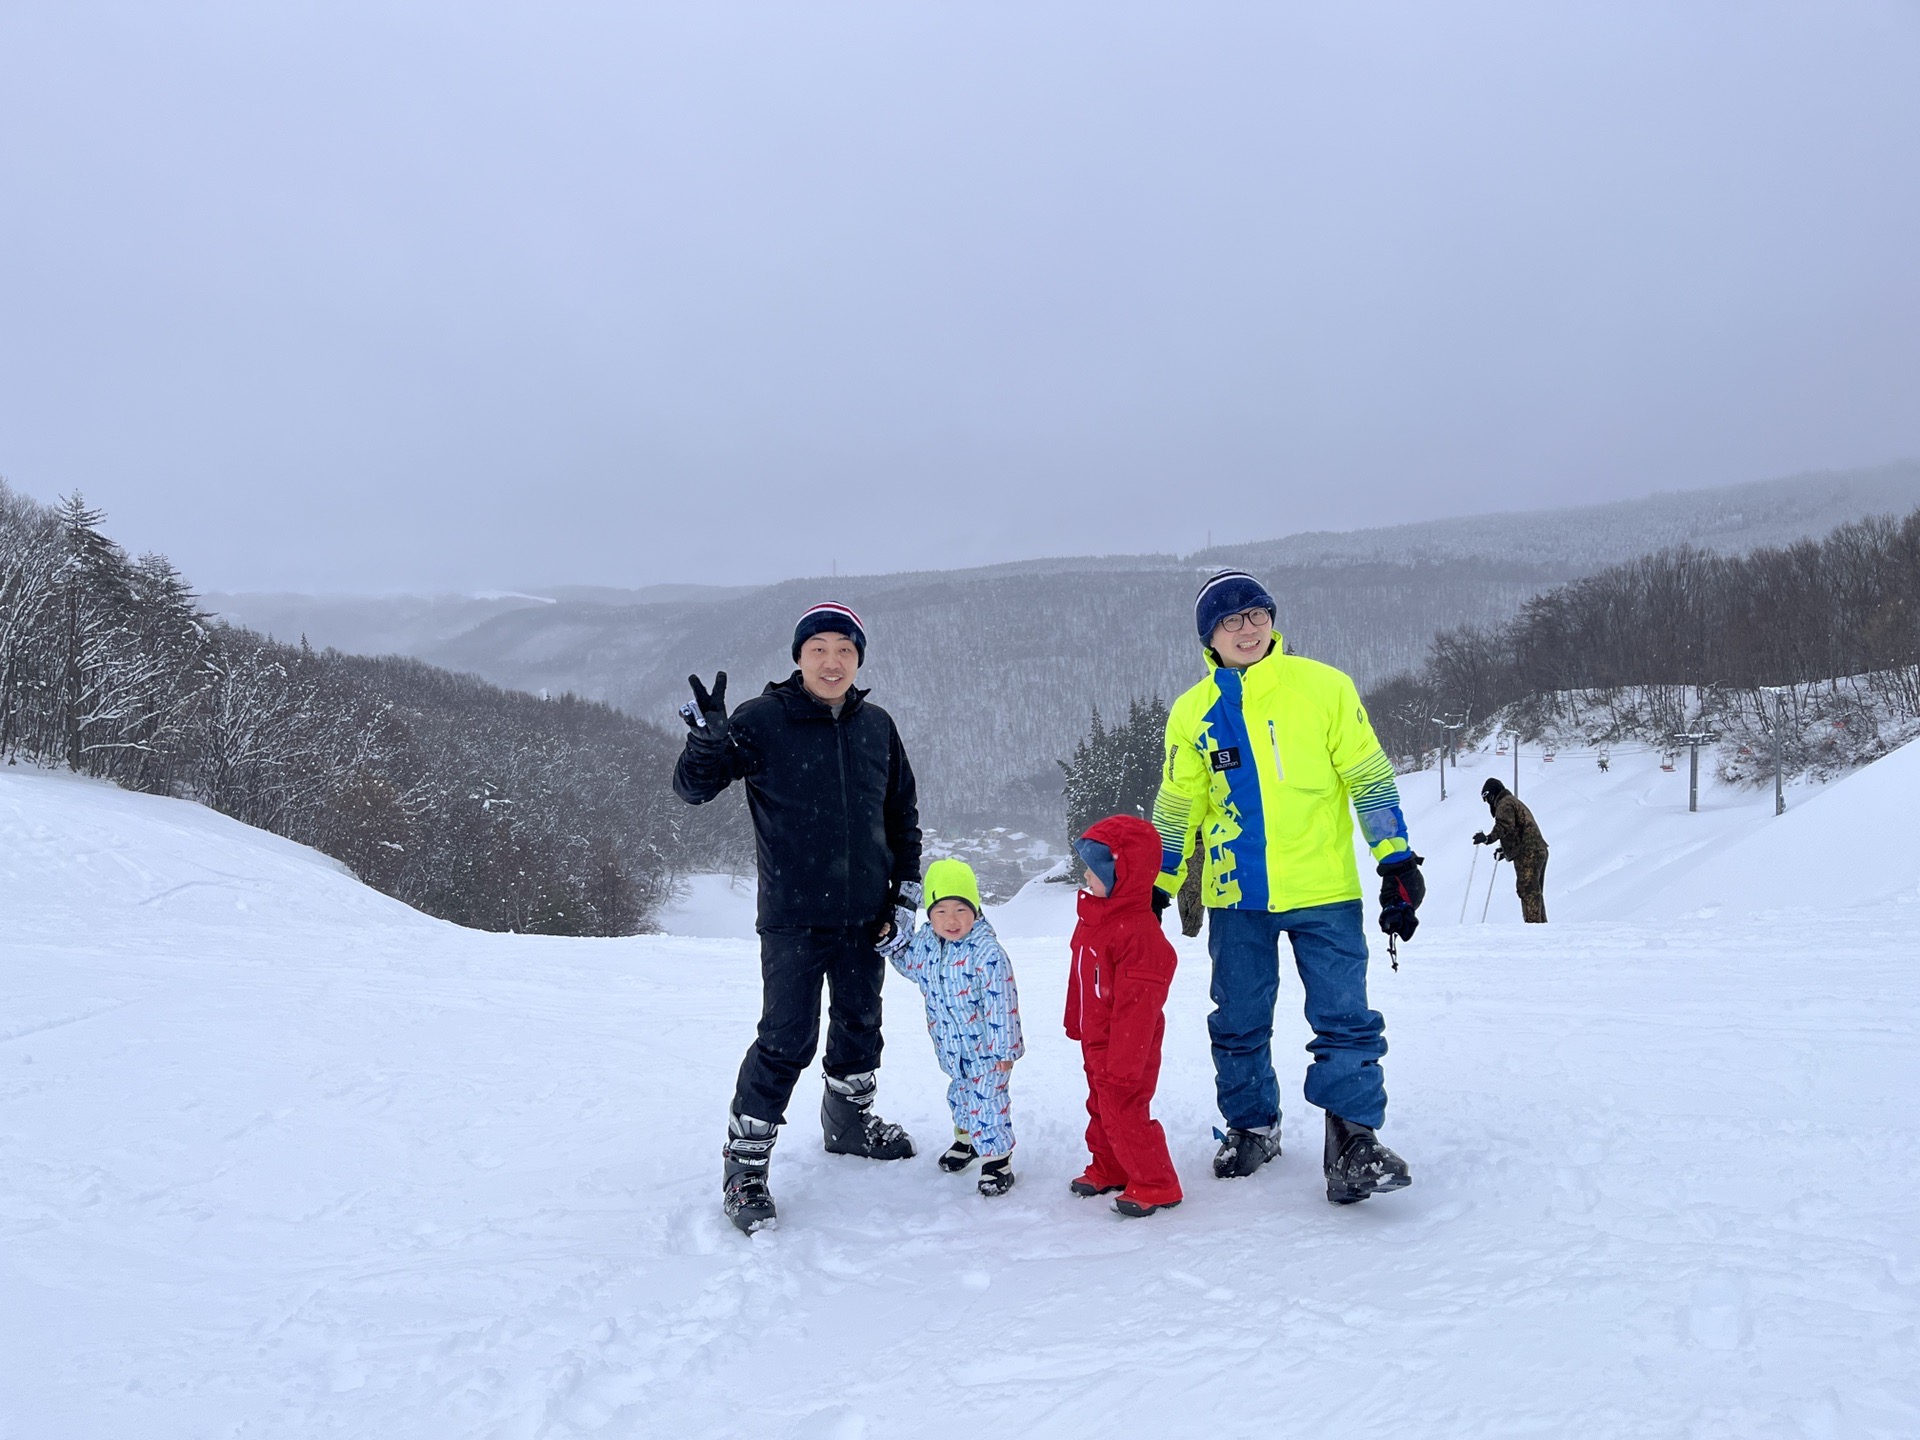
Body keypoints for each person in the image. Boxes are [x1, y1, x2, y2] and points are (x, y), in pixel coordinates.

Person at [1152, 569, 1419, 1206]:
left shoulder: (1324, 687)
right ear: (1208, 638)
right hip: (1235, 895)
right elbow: (1177, 803)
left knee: (1344, 1018)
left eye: (1256, 614)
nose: (1246, 628)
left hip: (1324, 889)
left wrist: (1396, 859)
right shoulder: (1193, 712)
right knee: (1239, 1018)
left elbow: (1367, 774)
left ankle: (1352, 1140)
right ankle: (1251, 1126)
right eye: (1229, 620)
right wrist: (1157, 882)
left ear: (1273, 620)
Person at [673, 602, 923, 1234]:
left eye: (844, 649)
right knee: (786, 1037)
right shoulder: (763, 720)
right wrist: (704, 744)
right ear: (798, 657)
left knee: (861, 1022)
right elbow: (694, 788)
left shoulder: (877, 727)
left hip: (866, 912)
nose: (831, 661)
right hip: (792, 914)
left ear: (859, 658)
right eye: (819, 649)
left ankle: (848, 1122)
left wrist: (904, 893)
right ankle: (746, 1164)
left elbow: (902, 817)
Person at [1065, 815, 1184, 1218]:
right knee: (1100, 1105)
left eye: (1095, 868)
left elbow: (1139, 1006)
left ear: (1124, 874)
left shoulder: (1137, 933)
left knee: (1125, 1108)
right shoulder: (1096, 918)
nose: (1085, 875)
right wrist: (1076, 1022)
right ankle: (1111, 1166)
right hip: (1096, 1037)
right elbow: (1081, 975)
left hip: (1126, 1045)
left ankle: (1156, 1182)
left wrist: (1124, 1058)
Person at [884, 857, 1023, 1197]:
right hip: (950, 1045)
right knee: (961, 1094)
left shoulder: (986, 952)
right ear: (929, 914)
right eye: (941, 911)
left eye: (961, 909)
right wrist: (888, 941)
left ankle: (997, 1161)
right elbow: (909, 963)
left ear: (975, 909)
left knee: (989, 1101)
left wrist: (1006, 1050)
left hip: (988, 1050)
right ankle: (968, 1141)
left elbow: (1002, 1003)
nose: (951, 920)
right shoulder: (928, 944)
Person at [1474, 777, 1549, 923]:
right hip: (1536, 849)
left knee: (1527, 889)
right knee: (1534, 891)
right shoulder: (1511, 801)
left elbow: (1504, 825)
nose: (1488, 803)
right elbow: (1517, 829)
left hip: (1528, 852)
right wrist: (1505, 849)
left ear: (1492, 794)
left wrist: (1488, 839)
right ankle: (1541, 925)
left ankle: (1534, 926)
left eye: (1487, 798)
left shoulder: (1505, 803)